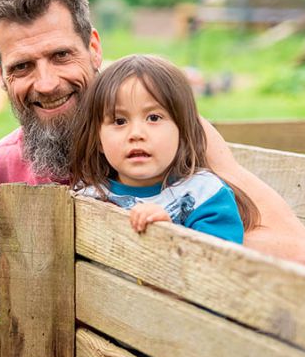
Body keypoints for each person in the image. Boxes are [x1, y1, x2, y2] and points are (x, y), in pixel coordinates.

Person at [0, 0, 305, 269]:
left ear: (94, 48)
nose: (47, 82)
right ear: (0, 74)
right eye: (22, 66)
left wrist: (166, 237)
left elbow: (302, 256)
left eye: (61, 55)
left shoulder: (171, 138)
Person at [70, 55, 255, 243]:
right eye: (119, 121)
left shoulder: (205, 195)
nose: (136, 134)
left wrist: (168, 234)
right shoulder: (87, 196)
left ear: (182, 130)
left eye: (154, 118)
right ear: (99, 140)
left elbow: (218, 264)